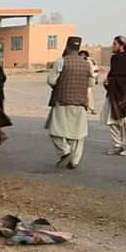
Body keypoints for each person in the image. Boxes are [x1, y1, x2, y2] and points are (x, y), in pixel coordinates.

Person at [46, 36, 92, 169]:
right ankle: (74, 161)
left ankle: (65, 151)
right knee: (78, 134)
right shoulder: (86, 63)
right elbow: (91, 83)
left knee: (55, 130)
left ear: (67, 46)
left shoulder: (61, 61)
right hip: (81, 103)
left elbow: (51, 81)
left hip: (62, 101)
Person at [102, 35, 126, 156]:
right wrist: (108, 80)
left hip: (125, 92)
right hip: (113, 92)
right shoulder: (114, 58)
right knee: (111, 120)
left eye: (115, 44)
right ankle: (117, 145)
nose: (112, 45)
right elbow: (112, 73)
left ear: (121, 45)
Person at [78, 50, 99, 115]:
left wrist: (95, 78)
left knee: (88, 93)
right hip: (88, 79)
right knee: (87, 93)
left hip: (88, 79)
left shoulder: (88, 61)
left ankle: (90, 108)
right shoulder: (91, 60)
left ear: (85, 55)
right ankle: (87, 107)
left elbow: (93, 70)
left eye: (82, 55)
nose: (81, 56)